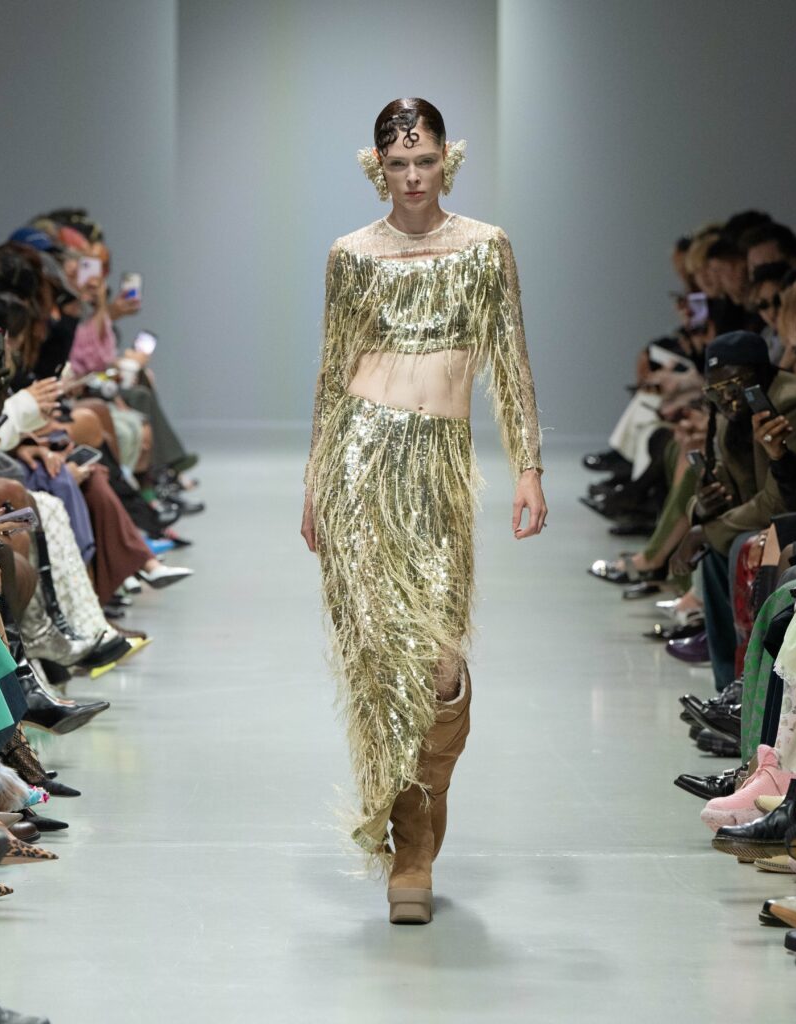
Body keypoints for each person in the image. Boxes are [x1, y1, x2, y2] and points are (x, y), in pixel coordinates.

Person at [300, 97, 547, 924]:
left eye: (425, 161)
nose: (413, 177)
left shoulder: (483, 246)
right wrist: (313, 482)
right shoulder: (350, 254)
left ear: (449, 160)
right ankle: (411, 850)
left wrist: (528, 467)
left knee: (439, 665)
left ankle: (423, 806)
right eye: (398, 164)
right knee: (379, 660)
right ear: (377, 168)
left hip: (436, 469)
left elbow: (510, 359)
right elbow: (331, 371)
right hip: (356, 462)